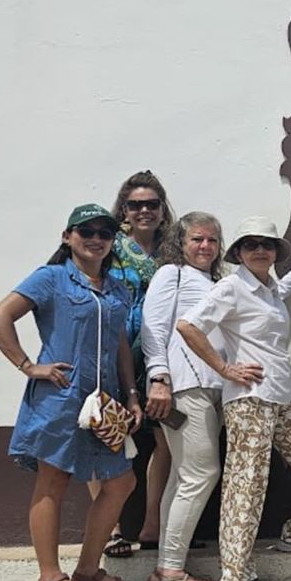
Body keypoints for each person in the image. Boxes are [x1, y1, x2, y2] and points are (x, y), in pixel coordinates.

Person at [177, 217, 291, 581]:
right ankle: (236, 574)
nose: (259, 250)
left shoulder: (268, 288)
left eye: (266, 244)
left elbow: (276, 296)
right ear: (239, 252)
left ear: (274, 253)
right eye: (251, 244)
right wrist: (224, 368)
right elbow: (188, 326)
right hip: (249, 399)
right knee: (247, 483)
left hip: (284, 395)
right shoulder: (230, 287)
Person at [0, 203, 143, 581]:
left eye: (104, 233)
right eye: (86, 231)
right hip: (60, 397)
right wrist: (28, 366)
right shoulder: (51, 278)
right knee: (52, 482)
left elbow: (120, 344)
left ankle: (88, 571)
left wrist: (131, 394)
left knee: (121, 482)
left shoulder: (117, 289)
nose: (95, 239)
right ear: (67, 236)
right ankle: (49, 579)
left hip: (103, 405)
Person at [100, 170, 178, 558]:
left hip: (159, 353)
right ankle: (110, 528)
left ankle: (152, 524)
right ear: (124, 210)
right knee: (108, 434)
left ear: (162, 209)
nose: (144, 211)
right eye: (135, 205)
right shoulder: (108, 246)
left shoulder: (173, 251)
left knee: (165, 439)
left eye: (151, 204)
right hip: (113, 347)